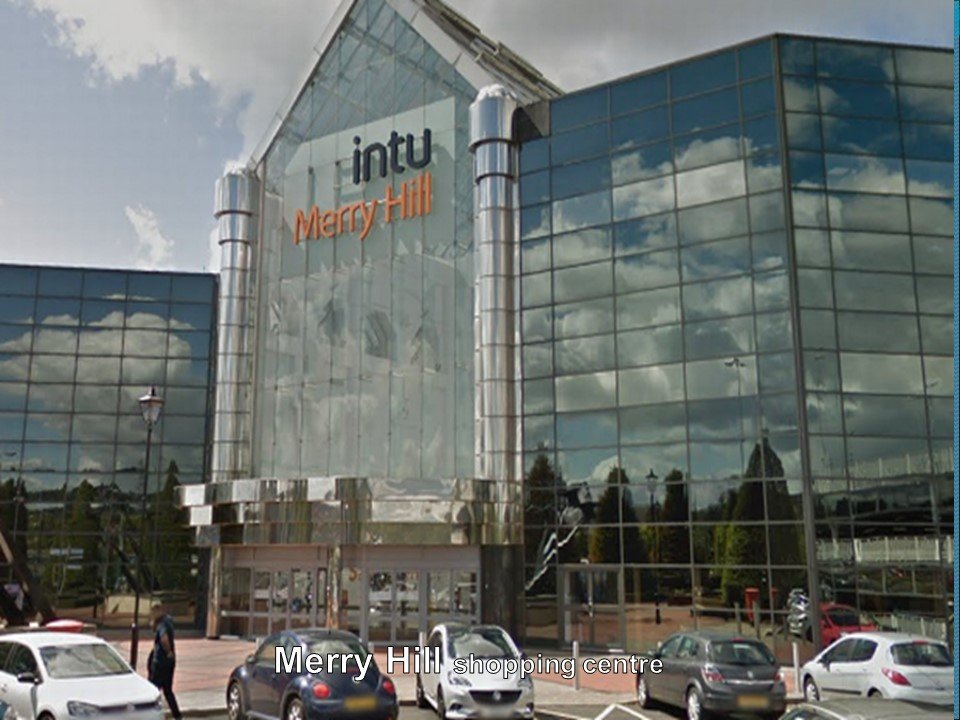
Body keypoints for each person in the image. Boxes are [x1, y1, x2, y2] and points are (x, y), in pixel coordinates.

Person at [148, 603, 182, 720]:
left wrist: (168, 652)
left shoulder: (162, 623)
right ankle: (177, 715)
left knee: (152, 690)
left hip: (160, 662)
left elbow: (164, 639)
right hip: (169, 662)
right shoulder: (168, 621)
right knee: (168, 690)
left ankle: (150, 714)